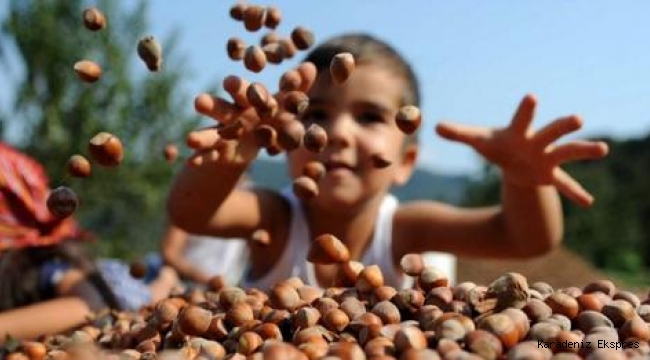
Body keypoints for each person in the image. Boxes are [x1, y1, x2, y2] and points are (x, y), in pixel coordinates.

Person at [167, 33, 609, 291]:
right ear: (282, 140)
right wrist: (232, 150)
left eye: (370, 117)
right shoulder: (277, 218)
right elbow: (191, 212)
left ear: (406, 162)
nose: (338, 133)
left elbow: (525, 239)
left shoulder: (407, 230)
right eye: (316, 114)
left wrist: (524, 181)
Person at [0, 141, 179, 340]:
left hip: (141, 295)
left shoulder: (37, 266)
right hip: (138, 293)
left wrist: (167, 278)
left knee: (163, 283)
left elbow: (89, 303)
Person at [160, 220, 249, 286]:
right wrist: (206, 280)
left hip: (229, 291)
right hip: (186, 285)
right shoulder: (189, 203)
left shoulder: (248, 202)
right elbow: (170, 253)